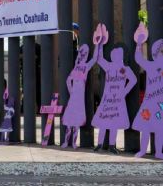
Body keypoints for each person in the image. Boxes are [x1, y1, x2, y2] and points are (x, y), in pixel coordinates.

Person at [92, 25, 137, 154]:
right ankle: (99, 144)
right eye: (114, 53)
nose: (115, 54)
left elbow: (133, 80)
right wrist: (99, 44)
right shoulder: (109, 67)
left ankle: (112, 145)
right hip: (107, 100)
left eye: (118, 53)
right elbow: (99, 59)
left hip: (117, 100)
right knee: (103, 122)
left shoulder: (125, 69)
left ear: (122, 56)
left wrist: (125, 91)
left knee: (114, 123)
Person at [132, 23, 163, 159]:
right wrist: (139, 44)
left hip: (160, 104)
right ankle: (143, 150)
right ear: (155, 54)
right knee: (146, 128)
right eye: (160, 51)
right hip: (150, 102)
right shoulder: (150, 66)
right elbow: (138, 59)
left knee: (160, 129)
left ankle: (158, 152)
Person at [61, 36, 98, 149]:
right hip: (74, 97)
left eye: (85, 54)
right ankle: (66, 142)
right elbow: (68, 80)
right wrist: (71, 90)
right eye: (82, 53)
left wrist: (97, 44)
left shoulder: (85, 67)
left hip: (79, 98)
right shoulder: (76, 68)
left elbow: (95, 59)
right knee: (69, 123)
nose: (83, 55)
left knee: (76, 123)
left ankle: (73, 143)